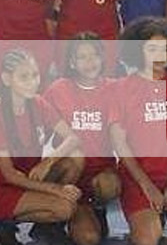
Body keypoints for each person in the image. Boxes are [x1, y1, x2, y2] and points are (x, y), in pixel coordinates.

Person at [111, 18, 167, 245]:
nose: (160, 56)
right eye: (152, 49)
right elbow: (120, 145)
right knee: (148, 239)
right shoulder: (121, 88)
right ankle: (148, 221)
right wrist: (147, 186)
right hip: (137, 176)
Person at [42, 34, 120, 245]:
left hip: (99, 174)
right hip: (68, 174)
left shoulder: (115, 89)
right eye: (82, 57)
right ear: (72, 62)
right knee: (88, 238)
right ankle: (50, 219)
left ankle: (96, 208)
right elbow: (37, 129)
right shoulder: (57, 90)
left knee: (110, 186)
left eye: (94, 55)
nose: (90, 62)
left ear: (103, 58)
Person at [0, 49, 82, 245]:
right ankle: (5, 223)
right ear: (6, 79)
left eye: (35, 75)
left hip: (28, 176)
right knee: (65, 207)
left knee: (76, 157)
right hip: (5, 184)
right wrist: (56, 189)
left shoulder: (38, 103)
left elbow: (73, 138)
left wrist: (48, 162)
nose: (33, 82)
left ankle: (45, 230)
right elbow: (9, 174)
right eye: (24, 77)